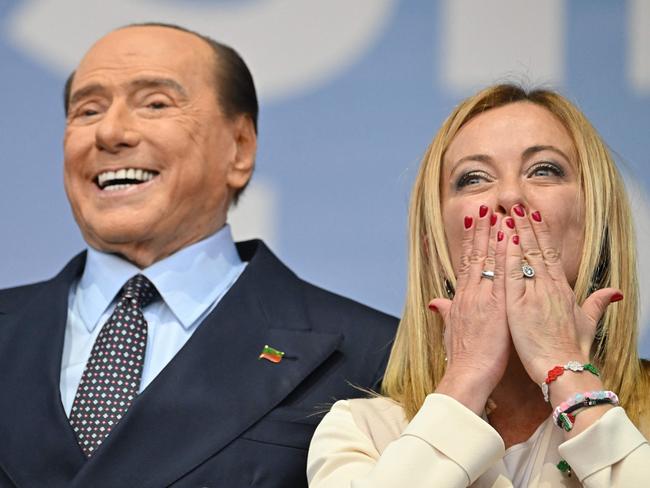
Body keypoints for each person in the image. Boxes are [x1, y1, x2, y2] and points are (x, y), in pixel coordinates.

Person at [0, 23, 397, 487]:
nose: (109, 132)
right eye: (87, 110)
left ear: (240, 149)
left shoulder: (370, 356)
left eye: (155, 104)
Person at [307, 84, 650, 487]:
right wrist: (466, 377)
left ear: (599, 224)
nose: (508, 195)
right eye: (473, 178)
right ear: (433, 245)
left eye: (544, 170)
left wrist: (568, 373)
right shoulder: (363, 432)